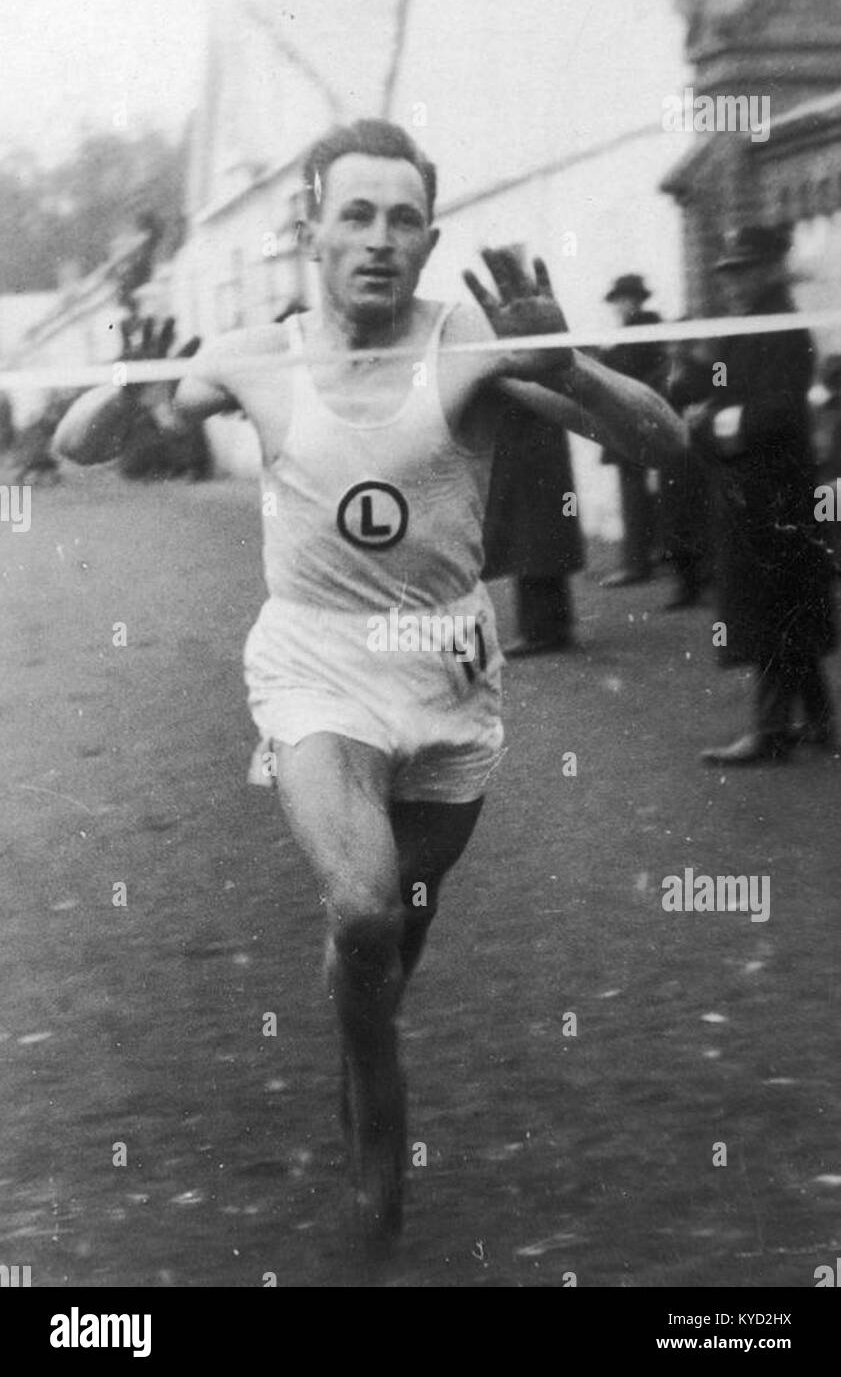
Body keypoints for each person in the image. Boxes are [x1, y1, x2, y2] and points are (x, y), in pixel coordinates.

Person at [170, 118, 684, 1252]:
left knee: (395, 922)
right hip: (313, 661)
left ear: (430, 235)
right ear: (311, 228)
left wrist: (571, 363)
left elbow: (663, 448)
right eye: (355, 213)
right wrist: (137, 391)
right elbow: (116, 426)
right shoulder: (264, 351)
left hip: (447, 670)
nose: (378, 238)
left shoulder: (473, 345)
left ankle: (363, 1018)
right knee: (361, 903)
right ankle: (371, 1097)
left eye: (403, 218)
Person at [695, 224, 836, 765]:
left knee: (771, 607)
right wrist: (707, 412)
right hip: (753, 488)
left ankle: (772, 731)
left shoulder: (782, 326)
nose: (733, 281)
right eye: (729, 272)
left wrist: (713, 424)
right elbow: (721, 389)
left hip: (775, 491)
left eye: (744, 270)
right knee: (788, 605)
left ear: (772, 269)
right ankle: (819, 720)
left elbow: (779, 410)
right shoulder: (748, 327)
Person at [481, 386, 584, 655]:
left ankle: (542, 629)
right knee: (535, 538)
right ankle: (552, 625)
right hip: (532, 441)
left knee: (532, 539)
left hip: (529, 444)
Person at [599, 273, 667, 587]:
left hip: (635, 418)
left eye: (622, 300)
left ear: (634, 300)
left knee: (634, 492)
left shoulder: (643, 327)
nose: (618, 307)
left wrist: (604, 359)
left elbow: (625, 367)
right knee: (639, 490)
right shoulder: (639, 328)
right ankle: (648, 554)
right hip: (634, 417)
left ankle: (637, 563)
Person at [660, 331, 714, 609]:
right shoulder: (663, 375)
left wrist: (703, 409)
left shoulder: (705, 371)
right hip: (672, 455)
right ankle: (685, 585)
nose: (674, 348)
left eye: (680, 342)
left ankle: (702, 581)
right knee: (675, 522)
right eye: (672, 342)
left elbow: (720, 395)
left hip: (696, 453)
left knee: (698, 519)